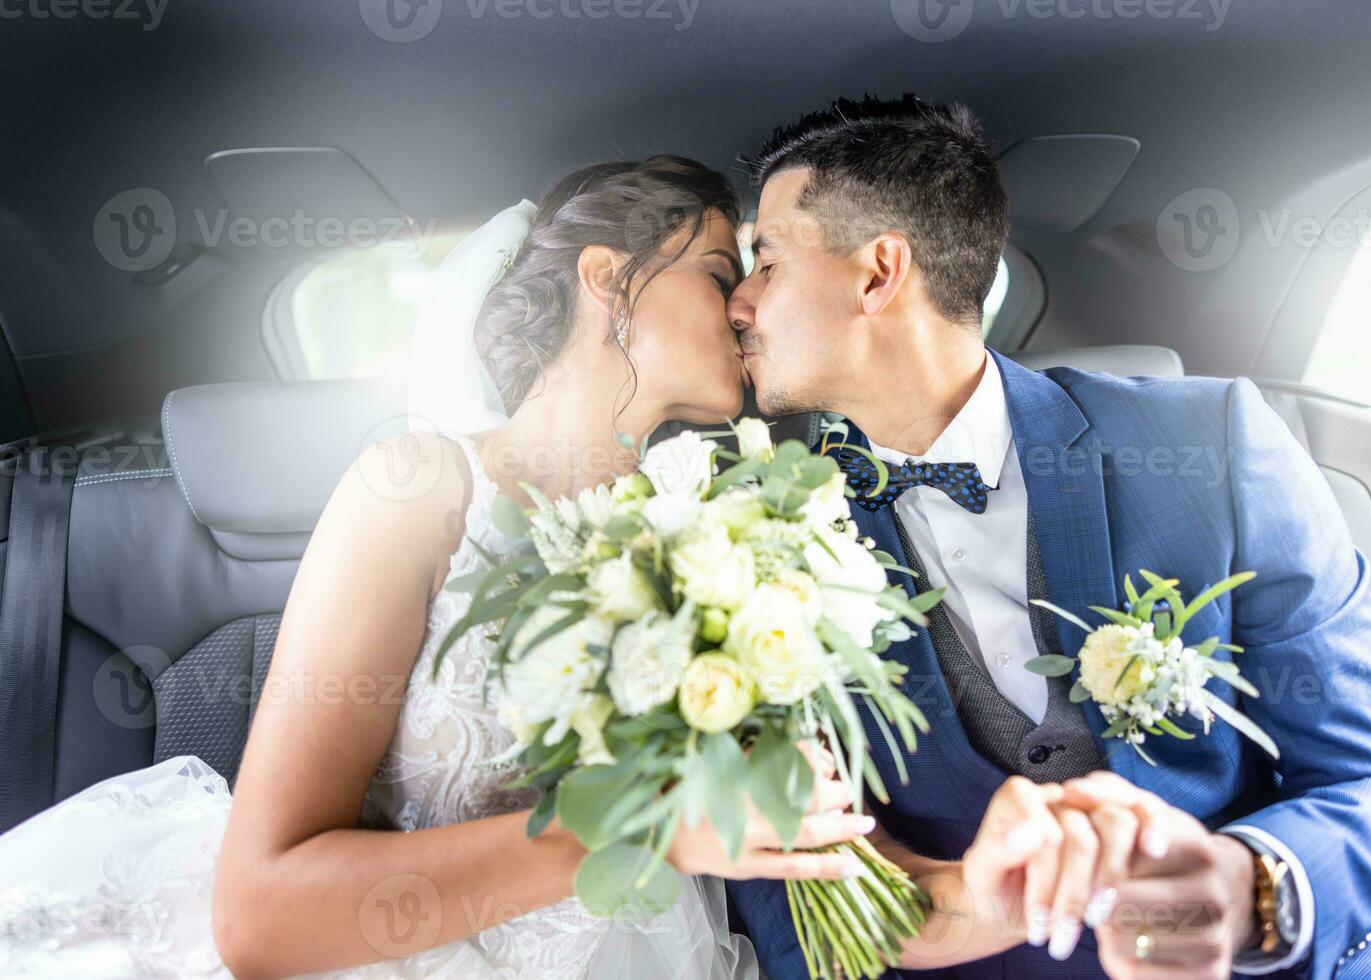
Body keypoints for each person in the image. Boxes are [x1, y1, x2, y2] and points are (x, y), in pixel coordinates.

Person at [0, 155, 871, 978]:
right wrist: (635, 827)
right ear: (608, 278)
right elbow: (260, 912)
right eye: (721, 273)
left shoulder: (708, 528)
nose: (743, 308)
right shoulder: (417, 487)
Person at [724, 95, 1371, 980]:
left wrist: (1243, 893)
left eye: (764, 261)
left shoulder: (1210, 444)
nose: (740, 301)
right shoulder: (753, 549)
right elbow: (796, 911)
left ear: (879, 273)